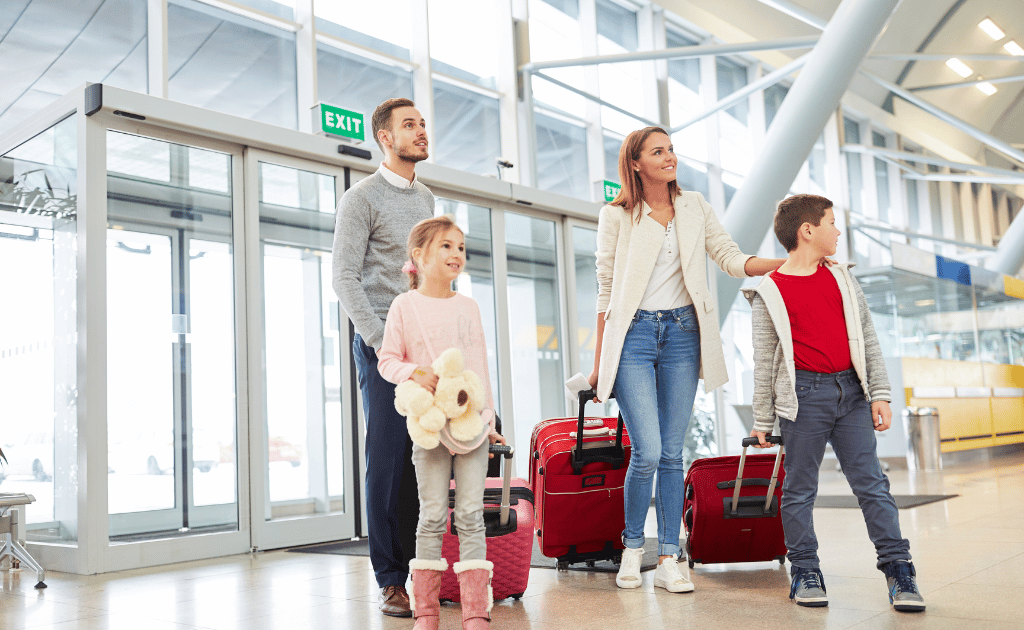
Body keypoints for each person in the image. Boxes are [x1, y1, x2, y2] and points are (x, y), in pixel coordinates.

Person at [587, 126, 787, 593]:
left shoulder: (694, 206)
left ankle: (671, 557)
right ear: (635, 163)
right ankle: (633, 549)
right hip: (633, 337)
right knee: (649, 451)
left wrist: (785, 263)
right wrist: (601, 361)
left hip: (682, 335)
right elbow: (604, 291)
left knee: (673, 454)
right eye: (658, 151)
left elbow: (729, 257)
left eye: (671, 149)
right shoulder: (616, 216)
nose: (669, 156)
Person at [745, 193, 925, 612]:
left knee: (872, 485)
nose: (838, 231)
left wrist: (879, 393)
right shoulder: (769, 291)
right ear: (808, 231)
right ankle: (805, 570)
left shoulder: (843, 278)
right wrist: (762, 419)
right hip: (803, 398)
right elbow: (763, 362)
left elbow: (868, 338)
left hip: (853, 394)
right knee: (799, 489)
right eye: (831, 222)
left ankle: (899, 569)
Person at [378, 215, 505, 630]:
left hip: (471, 428)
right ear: (419, 255)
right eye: (446, 246)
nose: (456, 254)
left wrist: (489, 420)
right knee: (431, 515)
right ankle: (427, 613)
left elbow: (479, 370)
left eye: (461, 247)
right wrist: (415, 372)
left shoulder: (468, 306)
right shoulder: (403, 306)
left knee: (469, 514)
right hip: (429, 428)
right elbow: (387, 362)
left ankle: (475, 613)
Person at [332, 97, 433, 618]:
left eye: (422, 123)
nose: (420, 132)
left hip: (424, 347)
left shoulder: (426, 197)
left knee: (424, 459)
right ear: (385, 138)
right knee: (390, 461)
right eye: (409, 125)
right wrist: (378, 341)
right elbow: (344, 278)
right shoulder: (361, 198)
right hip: (380, 345)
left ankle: (422, 567)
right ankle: (390, 578)